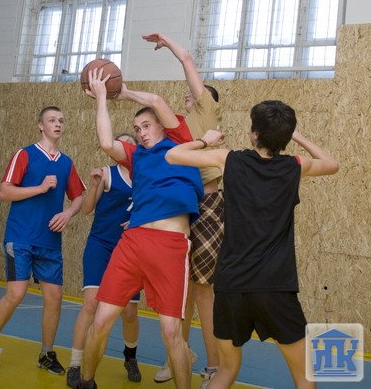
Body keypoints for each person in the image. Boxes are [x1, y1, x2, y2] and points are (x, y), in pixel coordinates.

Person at [165, 100, 338, 389]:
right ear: (284, 137)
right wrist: (295, 136)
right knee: (305, 378)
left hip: (231, 284)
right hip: (275, 287)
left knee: (225, 371)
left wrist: (204, 141)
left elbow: (173, 155)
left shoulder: (229, 159)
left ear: (254, 134)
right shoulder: (295, 166)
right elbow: (332, 164)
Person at [78, 70, 204, 389]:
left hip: (170, 244)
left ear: (163, 125)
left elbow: (157, 100)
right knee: (101, 320)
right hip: (133, 241)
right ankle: (86, 382)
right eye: (137, 129)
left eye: (146, 126)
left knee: (171, 332)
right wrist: (102, 98)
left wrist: (124, 92)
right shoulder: (138, 157)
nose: (141, 132)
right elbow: (106, 142)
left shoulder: (180, 141)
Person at [0, 106, 86, 377]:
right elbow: (4, 191)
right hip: (21, 237)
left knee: (54, 298)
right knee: (16, 293)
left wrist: (67, 213)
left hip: (50, 242)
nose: (57, 124)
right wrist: (41, 187)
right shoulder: (25, 154)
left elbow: (79, 197)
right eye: (52, 120)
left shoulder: (66, 162)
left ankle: (46, 353)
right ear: (40, 125)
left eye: (61, 120)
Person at [142, 31, 223, 386]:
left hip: (209, 205)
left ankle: (215, 367)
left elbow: (187, 60)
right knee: (181, 290)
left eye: (197, 90)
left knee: (204, 291)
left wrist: (167, 41)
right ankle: (179, 357)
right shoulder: (177, 127)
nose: (189, 92)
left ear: (209, 101)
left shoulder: (207, 113)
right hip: (182, 209)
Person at [67, 134, 142, 388]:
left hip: (130, 249)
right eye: (118, 143)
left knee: (129, 311)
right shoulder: (107, 173)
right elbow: (87, 209)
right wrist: (94, 184)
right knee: (90, 304)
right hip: (101, 245)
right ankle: (76, 364)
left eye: (127, 143)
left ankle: (130, 357)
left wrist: (138, 221)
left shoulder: (146, 177)